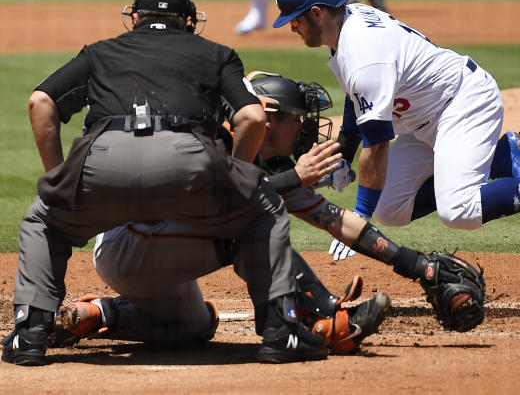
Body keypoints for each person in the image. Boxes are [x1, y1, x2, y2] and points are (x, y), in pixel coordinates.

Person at [1, 0, 339, 366]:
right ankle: (281, 334)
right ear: (190, 21)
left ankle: (29, 335)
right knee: (262, 210)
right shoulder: (216, 54)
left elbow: (40, 101)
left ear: (135, 16)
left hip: (101, 163)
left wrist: (59, 181)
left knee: (44, 219)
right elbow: (251, 117)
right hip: (188, 163)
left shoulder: (99, 53)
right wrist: (238, 181)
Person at [54, 71, 483, 346]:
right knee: (255, 226)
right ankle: (332, 319)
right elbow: (221, 197)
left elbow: (336, 221)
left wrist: (415, 264)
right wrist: (294, 179)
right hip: (131, 242)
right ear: (267, 115)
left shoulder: (273, 167)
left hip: (158, 256)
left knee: (196, 325)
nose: (306, 127)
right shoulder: (209, 138)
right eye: (297, 118)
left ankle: (93, 314)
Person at [271, 0, 520, 256]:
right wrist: (344, 160)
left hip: (464, 103)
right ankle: (499, 158)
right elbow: (355, 98)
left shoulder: (364, 54)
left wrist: (357, 219)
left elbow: (378, 146)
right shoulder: (349, 23)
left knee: (459, 211)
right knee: (389, 209)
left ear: (317, 14)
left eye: (296, 19)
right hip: (427, 120)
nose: (292, 27)